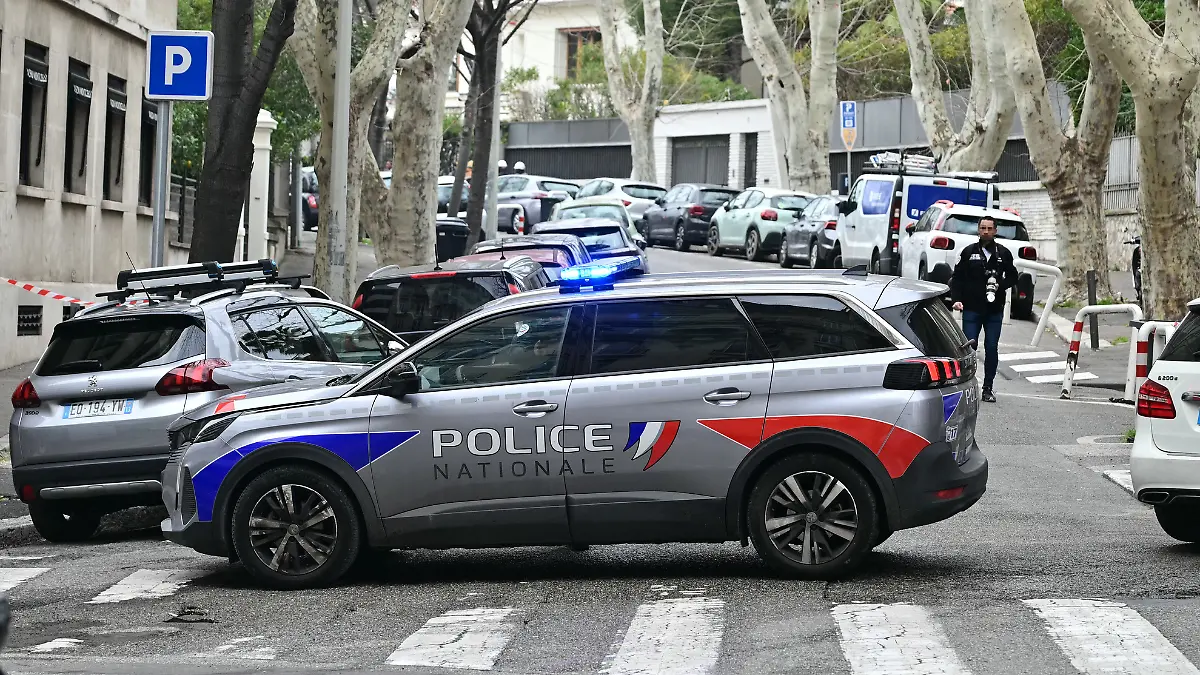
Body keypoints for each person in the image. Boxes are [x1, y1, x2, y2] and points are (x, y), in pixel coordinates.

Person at [951, 216, 1018, 403]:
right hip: (972, 308)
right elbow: (957, 278)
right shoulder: (968, 252)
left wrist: (999, 285)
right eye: (983, 228)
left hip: (994, 310)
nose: (986, 232)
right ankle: (966, 386)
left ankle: (988, 387)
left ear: (995, 231)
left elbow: (1013, 276)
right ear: (978, 230)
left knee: (991, 347)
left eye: (989, 228)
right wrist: (956, 300)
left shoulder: (1003, 253)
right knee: (969, 348)